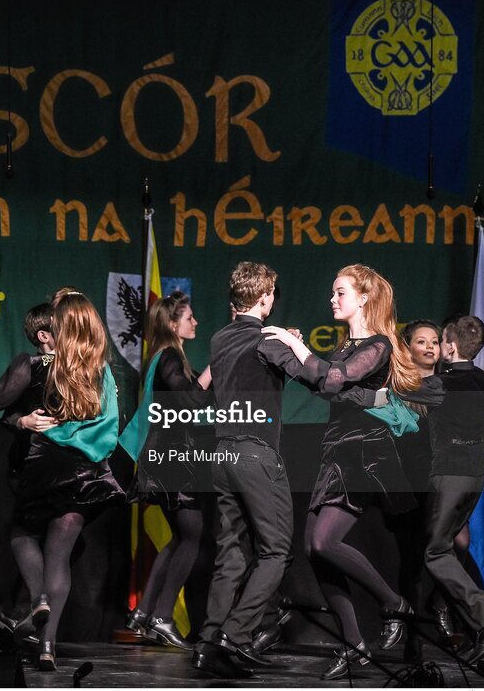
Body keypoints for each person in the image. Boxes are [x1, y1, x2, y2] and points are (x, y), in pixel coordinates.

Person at [263, 264, 423, 680]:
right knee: (314, 550)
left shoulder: (378, 345)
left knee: (323, 540)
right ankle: (354, 645)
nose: (332, 300)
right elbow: (321, 384)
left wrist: (295, 349)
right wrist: (367, 394)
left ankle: (394, 603)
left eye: (339, 293)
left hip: (363, 453)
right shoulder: (342, 347)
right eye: (332, 293)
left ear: (364, 298)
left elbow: (333, 382)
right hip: (335, 450)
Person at [191, 262, 330, 679]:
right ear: (266, 298)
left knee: (232, 552)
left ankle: (209, 643)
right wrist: (291, 342)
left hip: (224, 453)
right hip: (256, 454)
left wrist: (283, 345)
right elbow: (316, 379)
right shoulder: (268, 338)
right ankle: (235, 636)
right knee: (275, 551)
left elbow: (249, 379)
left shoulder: (220, 338)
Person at [0, 288, 124, 671]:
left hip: (47, 466)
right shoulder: (102, 369)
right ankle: (47, 647)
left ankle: (38, 596)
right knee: (61, 554)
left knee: (21, 532)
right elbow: (110, 427)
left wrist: (20, 419)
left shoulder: (40, 365)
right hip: (90, 472)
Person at [405, 315, 484, 665]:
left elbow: (403, 392)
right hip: (475, 477)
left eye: (439, 342)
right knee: (447, 544)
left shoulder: (440, 385)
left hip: (449, 475)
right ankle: (463, 615)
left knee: (434, 552)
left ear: (449, 347)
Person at [122, 292, 212, 650]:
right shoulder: (170, 356)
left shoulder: (161, 357)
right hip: (171, 459)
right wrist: (212, 370)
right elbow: (187, 400)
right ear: (173, 324)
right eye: (189, 317)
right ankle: (162, 617)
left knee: (179, 537)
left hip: (162, 458)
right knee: (193, 535)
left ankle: (144, 614)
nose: (195, 323)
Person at [0, 303, 53, 653]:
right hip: (28, 466)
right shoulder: (32, 364)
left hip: (70, 471)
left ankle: (10, 617)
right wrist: (22, 420)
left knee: (65, 545)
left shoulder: (83, 365)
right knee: (30, 536)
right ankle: (30, 608)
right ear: (44, 336)